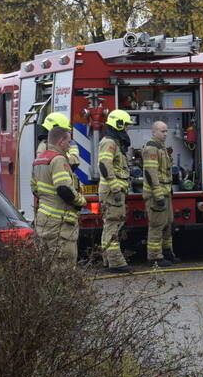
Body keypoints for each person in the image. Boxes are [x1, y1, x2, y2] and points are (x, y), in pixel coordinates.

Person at [32, 125, 85, 264]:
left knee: (47, 262)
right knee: (64, 264)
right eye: (69, 142)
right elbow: (63, 189)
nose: (69, 146)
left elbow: (34, 188)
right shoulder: (59, 160)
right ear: (61, 142)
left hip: (44, 219)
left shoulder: (39, 160)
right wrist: (81, 201)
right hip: (60, 222)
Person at [98, 109, 134, 273]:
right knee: (113, 226)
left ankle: (109, 260)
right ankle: (116, 262)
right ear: (119, 124)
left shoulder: (114, 142)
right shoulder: (110, 142)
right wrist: (115, 188)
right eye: (126, 125)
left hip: (114, 190)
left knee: (111, 225)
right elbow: (105, 165)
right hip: (113, 192)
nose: (128, 129)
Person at [141, 120, 179, 267]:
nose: (165, 134)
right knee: (157, 224)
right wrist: (158, 194)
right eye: (162, 131)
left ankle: (167, 251)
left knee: (168, 223)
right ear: (154, 132)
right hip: (156, 193)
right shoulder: (151, 148)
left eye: (166, 131)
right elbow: (151, 173)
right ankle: (154, 257)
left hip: (166, 192)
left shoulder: (161, 148)